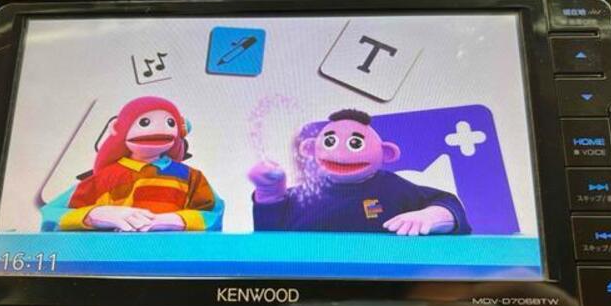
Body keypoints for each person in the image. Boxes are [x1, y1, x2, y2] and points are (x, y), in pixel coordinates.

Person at [248, 109, 470, 235]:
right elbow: (269, 237)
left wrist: (434, 216)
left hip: (381, 284)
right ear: (310, 149)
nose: (340, 152)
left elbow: (447, 202)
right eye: (330, 142)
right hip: (306, 284)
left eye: (355, 144)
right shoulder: (306, 194)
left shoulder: (392, 188)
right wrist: (270, 194)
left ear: (386, 153)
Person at [42, 96, 223, 232]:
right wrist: (96, 215)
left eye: (170, 122)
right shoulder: (105, 177)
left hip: (173, 256)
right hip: (117, 256)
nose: (160, 129)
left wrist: (173, 220)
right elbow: (52, 213)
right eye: (144, 122)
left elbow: (213, 214)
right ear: (118, 128)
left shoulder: (190, 176)